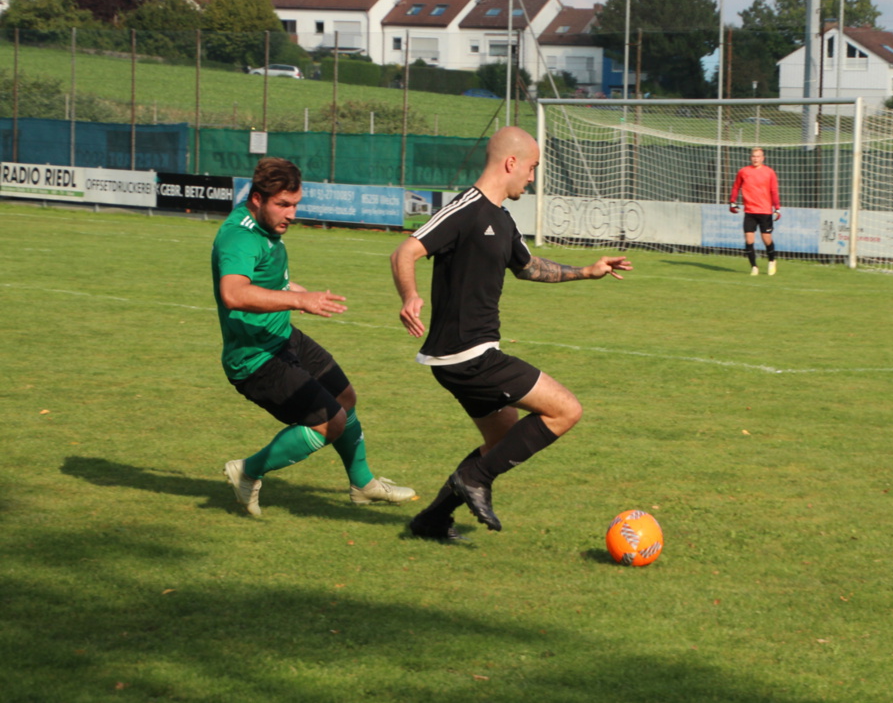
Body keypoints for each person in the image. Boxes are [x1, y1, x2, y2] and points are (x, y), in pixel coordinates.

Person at [391, 126, 631, 541]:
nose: (532, 178)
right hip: (468, 355)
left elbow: (528, 267)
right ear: (511, 163)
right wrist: (410, 296)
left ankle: (432, 520)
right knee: (565, 410)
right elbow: (405, 251)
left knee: (502, 441)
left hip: (469, 354)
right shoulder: (465, 208)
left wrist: (587, 271)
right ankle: (474, 479)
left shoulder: (501, 219)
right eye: (532, 168)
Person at [213, 157, 415, 516]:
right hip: (255, 358)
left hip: (281, 335)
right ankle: (247, 471)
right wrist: (298, 300)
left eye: (295, 204)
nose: (291, 214)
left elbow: (260, 276)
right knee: (329, 423)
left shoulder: (262, 226)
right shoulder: (239, 236)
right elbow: (234, 293)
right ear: (257, 198)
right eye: (283, 205)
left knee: (345, 397)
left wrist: (292, 290)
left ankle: (363, 484)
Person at [729, 147, 780, 275]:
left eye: (758, 156)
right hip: (750, 211)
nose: (755, 159)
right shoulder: (743, 171)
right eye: (753, 156)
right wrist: (732, 201)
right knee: (749, 239)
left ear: (763, 158)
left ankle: (772, 261)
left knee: (766, 239)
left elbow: (774, 191)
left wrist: (777, 208)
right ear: (750, 157)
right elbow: (736, 187)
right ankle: (754, 267)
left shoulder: (769, 172)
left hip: (765, 211)